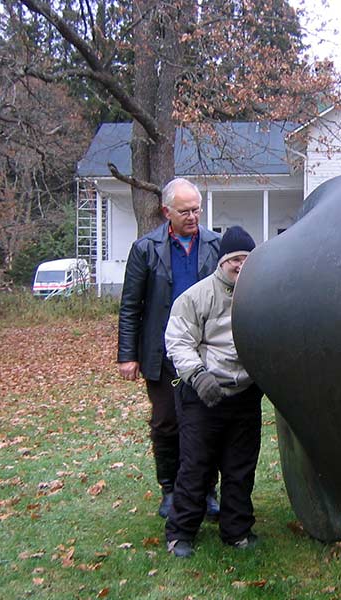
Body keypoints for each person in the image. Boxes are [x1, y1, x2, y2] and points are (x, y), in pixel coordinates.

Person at [117, 177, 221, 520]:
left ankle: (206, 491)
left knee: (207, 424)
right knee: (166, 423)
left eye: (197, 210)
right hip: (161, 353)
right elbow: (131, 306)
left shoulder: (215, 245)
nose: (192, 217)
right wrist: (127, 355)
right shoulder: (145, 249)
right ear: (166, 212)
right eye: (185, 211)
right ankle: (170, 490)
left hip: (207, 351)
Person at [164, 226, 263, 557]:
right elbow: (178, 341)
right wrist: (197, 376)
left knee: (240, 468)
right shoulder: (196, 296)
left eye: (247, 259)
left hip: (245, 396)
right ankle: (180, 534)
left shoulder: (262, 294)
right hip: (204, 396)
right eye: (235, 259)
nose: (240, 265)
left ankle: (236, 531)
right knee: (196, 467)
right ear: (222, 261)